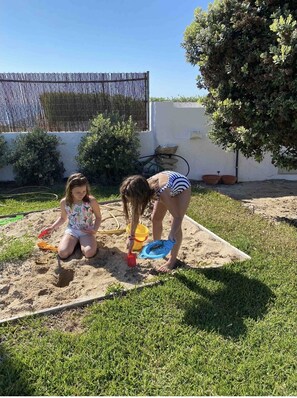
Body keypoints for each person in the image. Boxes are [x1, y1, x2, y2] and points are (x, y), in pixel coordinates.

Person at [120, 170, 191, 273]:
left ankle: (172, 261)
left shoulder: (162, 192)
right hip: (166, 185)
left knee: (175, 224)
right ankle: (157, 244)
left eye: (132, 200)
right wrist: (131, 237)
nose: (130, 202)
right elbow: (135, 214)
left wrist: (171, 234)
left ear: (140, 196)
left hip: (181, 187)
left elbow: (178, 217)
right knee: (156, 218)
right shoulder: (142, 187)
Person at [40, 173, 101, 259]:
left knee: (89, 253)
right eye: (78, 192)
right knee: (63, 253)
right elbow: (62, 218)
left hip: (87, 231)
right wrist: (52, 227)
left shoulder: (91, 201)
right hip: (72, 230)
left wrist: (94, 229)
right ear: (70, 190)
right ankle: (75, 242)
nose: (81, 194)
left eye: (84, 191)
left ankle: (80, 242)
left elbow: (98, 217)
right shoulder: (65, 202)